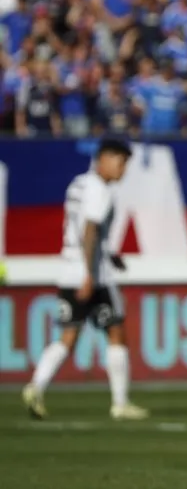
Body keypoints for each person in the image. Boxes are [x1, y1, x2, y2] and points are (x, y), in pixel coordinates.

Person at [22, 139, 149, 421]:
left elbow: (81, 228)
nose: (123, 169)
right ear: (104, 159)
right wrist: (90, 274)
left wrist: (108, 253)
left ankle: (35, 386)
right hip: (94, 275)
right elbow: (89, 229)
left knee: (68, 337)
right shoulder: (100, 189)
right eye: (120, 161)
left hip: (68, 271)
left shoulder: (78, 184)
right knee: (116, 332)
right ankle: (120, 403)